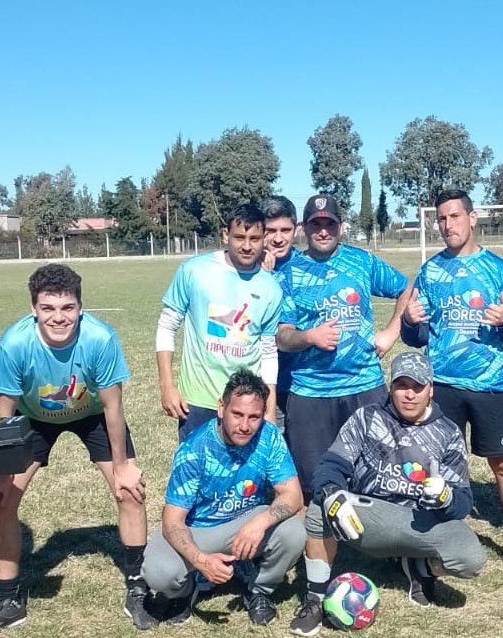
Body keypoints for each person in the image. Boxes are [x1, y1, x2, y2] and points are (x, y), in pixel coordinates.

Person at [0, 264, 155, 637]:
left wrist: (121, 466)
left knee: (130, 491)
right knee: (0, 499)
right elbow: (5, 410)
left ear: (80, 308)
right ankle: (7, 600)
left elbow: (113, 406)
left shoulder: (100, 338)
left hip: (92, 414)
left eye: (67, 307)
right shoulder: (14, 343)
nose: (58, 317)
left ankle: (138, 587)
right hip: (33, 417)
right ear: (34, 309)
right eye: (48, 308)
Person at [401, 188, 503, 578]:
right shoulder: (431, 271)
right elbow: (416, 337)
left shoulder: (497, 268)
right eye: (442, 218)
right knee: (437, 466)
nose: (447, 224)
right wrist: (410, 321)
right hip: (443, 385)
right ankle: (432, 540)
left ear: (472, 218)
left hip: (490, 386)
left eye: (455, 216)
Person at [289, 352, 485, 636]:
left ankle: (421, 569)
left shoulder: (449, 432)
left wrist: (446, 497)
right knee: (321, 506)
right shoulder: (367, 417)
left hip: (419, 523)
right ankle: (316, 599)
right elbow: (331, 465)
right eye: (402, 385)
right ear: (391, 387)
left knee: (471, 558)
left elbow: (463, 502)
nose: (409, 395)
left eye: (418, 387)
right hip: (367, 517)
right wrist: (333, 492)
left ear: (431, 389)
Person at [142, 369, 305, 625]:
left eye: (254, 417)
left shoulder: (269, 437)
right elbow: (172, 522)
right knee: (158, 572)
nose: (245, 426)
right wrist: (201, 560)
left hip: (246, 520)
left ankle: (259, 590)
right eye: (237, 414)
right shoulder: (193, 450)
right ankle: (186, 591)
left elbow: (293, 495)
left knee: (294, 530)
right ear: (221, 408)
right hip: (199, 529)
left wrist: (258, 523)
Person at [276, 193, 411, 499]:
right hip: (311, 391)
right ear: (304, 228)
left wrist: (391, 332)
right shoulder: (290, 274)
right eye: (316, 225)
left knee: (379, 473)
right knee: (313, 483)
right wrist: (309, 337)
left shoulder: (361, 261)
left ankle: (376, 529)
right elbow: (282, 337)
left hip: (364, 385)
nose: (323, 231)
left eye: (330, 224)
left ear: (341, 226)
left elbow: (406, 287)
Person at [156, 203, 283, 441]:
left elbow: (268, 351)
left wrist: (269, 407)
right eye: (240, 237)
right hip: (198, 400)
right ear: (226, 235)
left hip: (246, 405)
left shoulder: (271, 288)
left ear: (264, 238)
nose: (247, 246)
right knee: (195, 464)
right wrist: (167, 385)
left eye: (255, 239)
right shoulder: (194, 270)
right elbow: (166, 326)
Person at [260, 195, 301, 428]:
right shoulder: (248, 267)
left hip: (303, 383)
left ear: (296, 229)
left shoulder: (308, 264)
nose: (278, 238)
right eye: (270, 231)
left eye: (285, 230)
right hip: (263, 382)